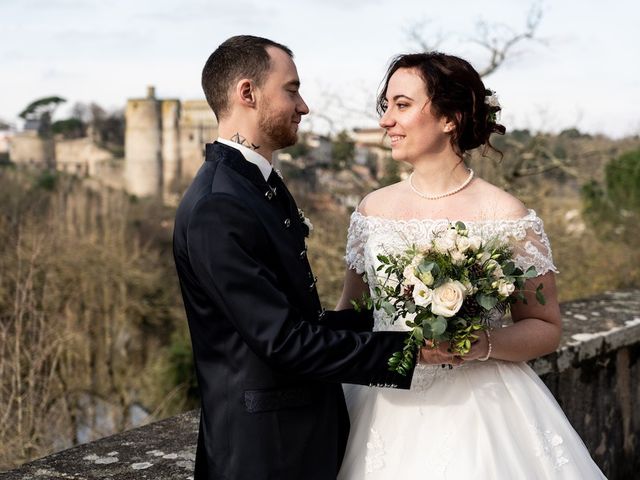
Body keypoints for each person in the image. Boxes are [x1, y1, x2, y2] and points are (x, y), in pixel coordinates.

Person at [336, 52, 607, 479]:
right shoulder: (371, 211)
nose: (386, 120)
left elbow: (546, 326)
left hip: (483, 412)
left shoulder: (507, 215)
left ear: (450, 118)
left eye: (402, 105)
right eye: (385, 106)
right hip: (381, 403)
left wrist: (481, 343)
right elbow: (351, 317)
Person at [173, 35, 424, 480]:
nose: (304, 106)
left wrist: (396, 319)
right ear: (247, 93)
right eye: (291, 89)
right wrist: (411, 351)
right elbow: (284, 340)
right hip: (264, 456)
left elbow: (300, 320)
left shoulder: (255, 186)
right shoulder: (219, 205)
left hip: (297, 442)